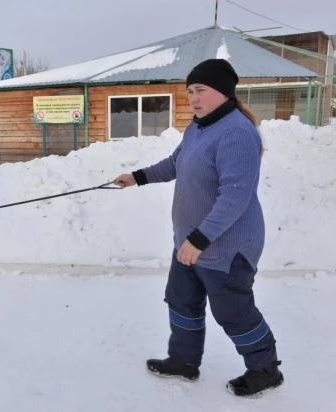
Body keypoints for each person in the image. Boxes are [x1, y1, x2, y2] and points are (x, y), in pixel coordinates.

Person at [114, 58, 283, 397]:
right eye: (190, 90)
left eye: (201, 90)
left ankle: (265, 369)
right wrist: (137, 177)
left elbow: (234, 197)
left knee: (232, 311)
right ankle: (183, 360)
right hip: (191, 242)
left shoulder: (237, 132)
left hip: (225, 247)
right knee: (182, 301)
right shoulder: (199, 126)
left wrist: (199, 239)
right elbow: (177, 163)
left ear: (222, 92)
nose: (193, 97)